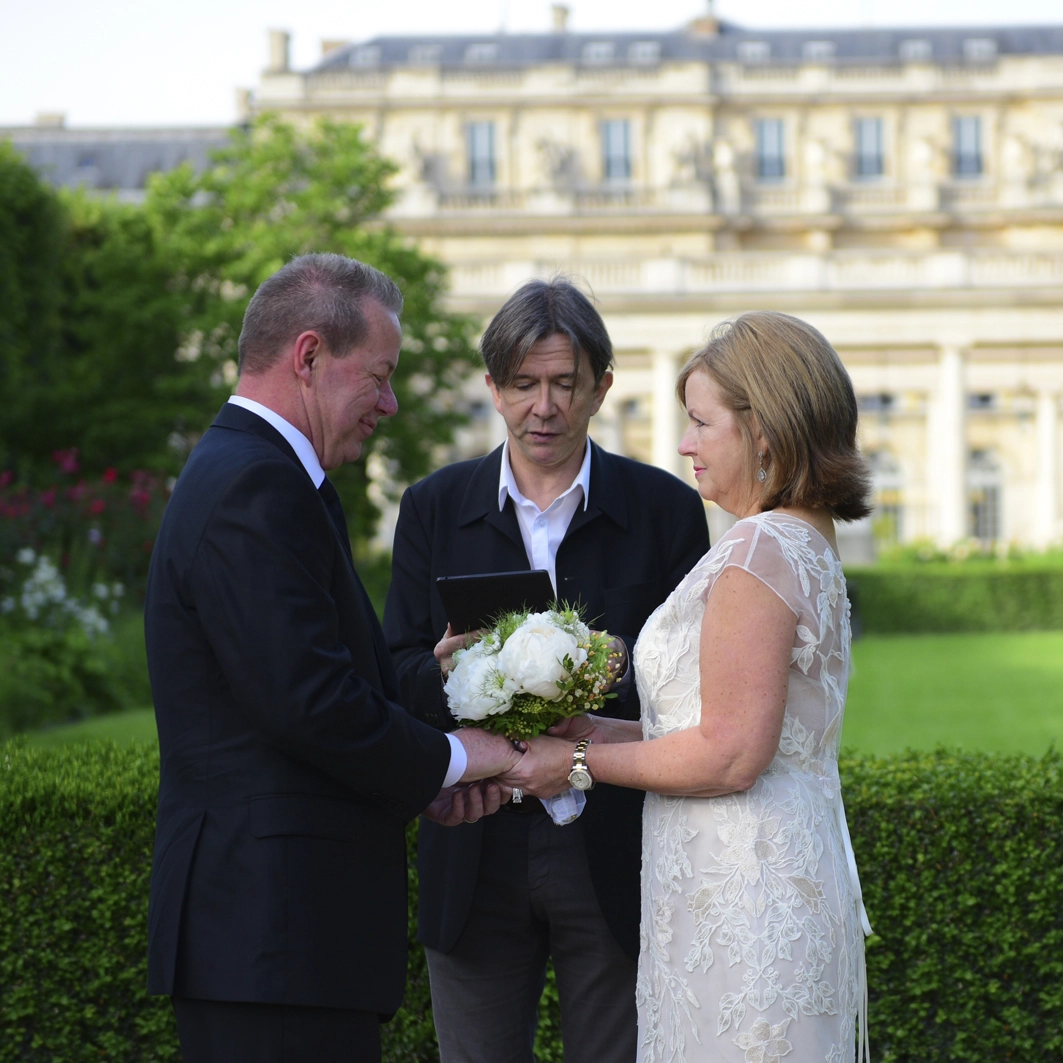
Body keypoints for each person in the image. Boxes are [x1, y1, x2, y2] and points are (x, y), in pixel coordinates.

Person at [143, 253, 519, 1063]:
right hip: (269, 938)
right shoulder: (255, 483)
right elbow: (307, 700)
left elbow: (314, 683)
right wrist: (457, 758)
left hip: (276, 943)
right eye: (379, 376)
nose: (388, 403)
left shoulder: (264, 473)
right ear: (309, 355)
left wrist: (423, 766)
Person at [502, 311, 875, 1063]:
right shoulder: (802, 536)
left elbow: (730, 753)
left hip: (742, 890)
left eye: (702, 423)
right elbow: (723, 725)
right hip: (758, 872)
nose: (684, 444)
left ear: (763, 430)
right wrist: (593, 730)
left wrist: (574, 763)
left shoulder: (760, 547)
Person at [383, 278, 709, 1063]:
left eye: (565, 383)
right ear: (492, 387)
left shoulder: (664, 508)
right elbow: (393, 672)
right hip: (474, 840)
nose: (544, 407)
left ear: (601, 386)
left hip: (616, 843)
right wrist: (441, 674)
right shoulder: (432, 506)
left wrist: (609, 668)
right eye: (523, 383)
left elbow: (695, 689)